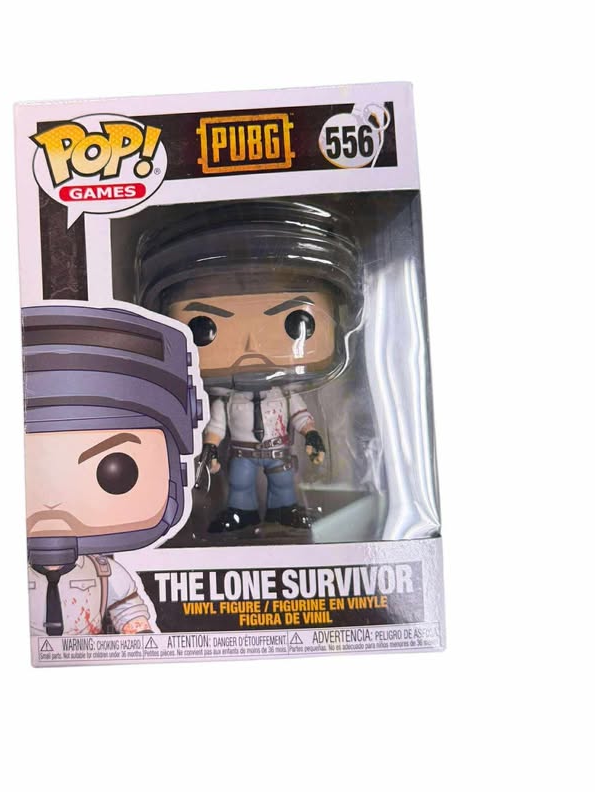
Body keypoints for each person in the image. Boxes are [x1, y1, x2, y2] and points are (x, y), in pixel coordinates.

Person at [136, 200, 362, 533]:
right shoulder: (228, 398)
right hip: (242, 451)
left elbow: (300, 416)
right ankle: (242, 513)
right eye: (203, 329)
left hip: (276, 448)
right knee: (240, 484)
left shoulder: (285, 394)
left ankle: (284, 509)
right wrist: (211, 447)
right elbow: (217, 425)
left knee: (282, 482)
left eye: (296, 322)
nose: (251, 346)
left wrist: (312, 436)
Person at [22, 304, 205, 634]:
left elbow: (126, 606)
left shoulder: (104, 570)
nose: (53, 507)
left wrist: (137, 630)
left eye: (116, 472)